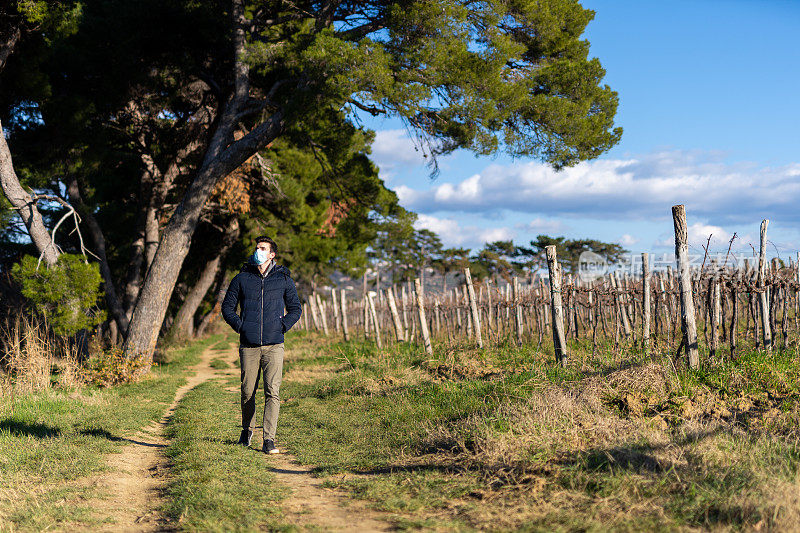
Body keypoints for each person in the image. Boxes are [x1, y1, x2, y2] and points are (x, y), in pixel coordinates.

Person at [221, 236, 302, 454]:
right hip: (249, 345)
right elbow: (227, 308)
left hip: (275, 345)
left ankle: (269, 439)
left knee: (272, 392)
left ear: (272, 254)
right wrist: (241, 326)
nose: (258, 251)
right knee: (247, 391)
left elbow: (296, 309)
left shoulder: (284, 279)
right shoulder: (242, 278)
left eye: (263, 248)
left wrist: (282, 326)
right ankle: (246, 431)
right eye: (257, 247)